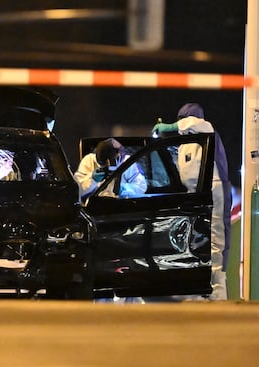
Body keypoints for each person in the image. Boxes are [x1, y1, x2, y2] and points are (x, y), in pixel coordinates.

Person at [153, 103, 232, 301]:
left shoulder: (206, 129)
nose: (181, 124)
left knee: (216, 242)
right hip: (195, 197)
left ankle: (219, 293)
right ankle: (200, 291)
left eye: (182, 120)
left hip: (215, 191)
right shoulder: (183, 145)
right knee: (196, 243)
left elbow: (196, 124)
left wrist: (170, 127)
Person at [74, 138, 147, 201]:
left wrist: (122, 189)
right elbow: (76, 191)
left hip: (121, 205)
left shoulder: (128, 162)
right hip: (95, 206)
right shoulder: (88, 161)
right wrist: (92, 180)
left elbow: (141, 187)